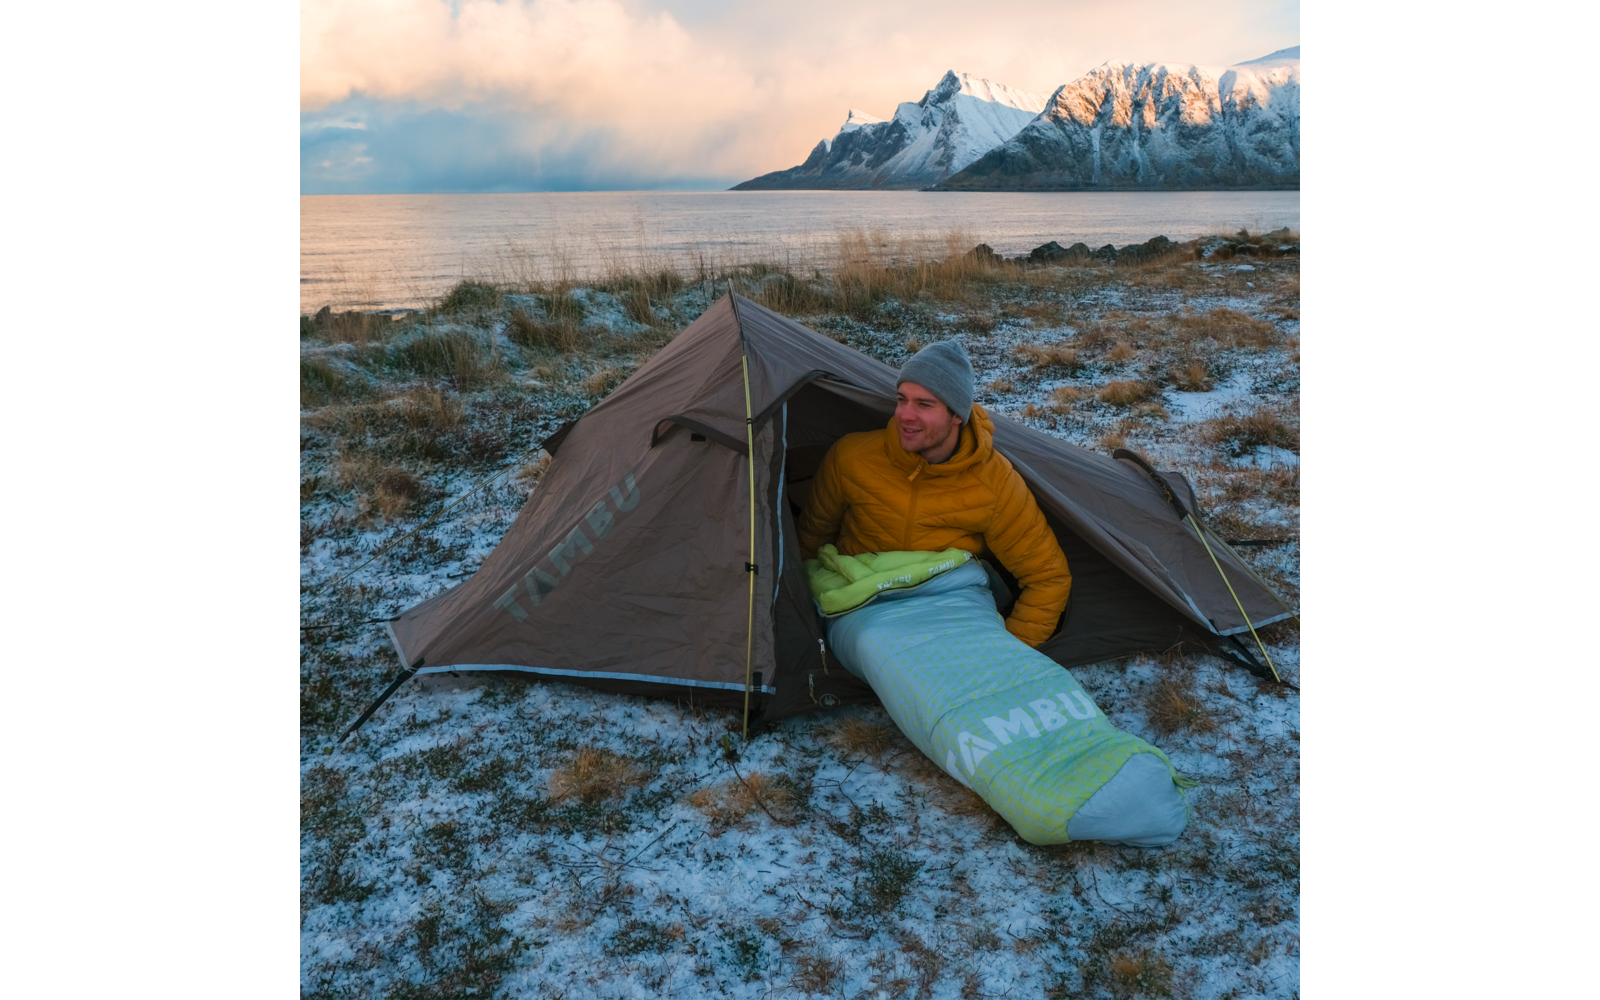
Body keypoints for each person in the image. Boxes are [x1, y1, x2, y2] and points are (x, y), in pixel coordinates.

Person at [796, 339, 1071, 646]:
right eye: (902, 399)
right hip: (863, 605)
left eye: (924, 404)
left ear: (958, 415)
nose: (905, 415)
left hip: (950, 607)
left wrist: (1010, 650)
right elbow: (808, 543)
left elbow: (1048, 578)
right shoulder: (852, 457)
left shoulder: (995, 481)